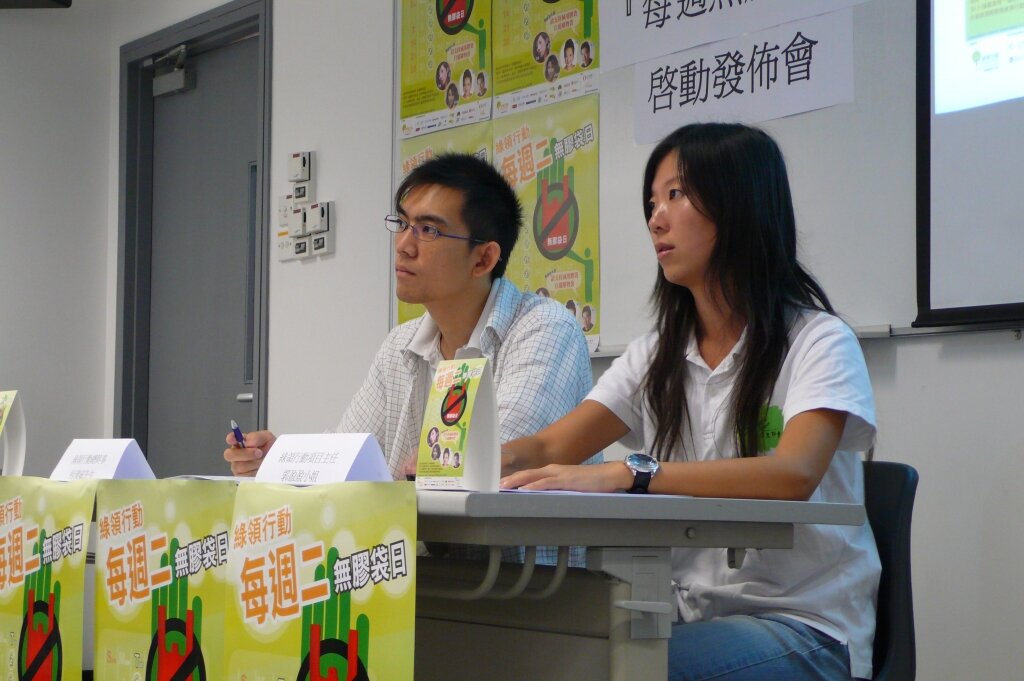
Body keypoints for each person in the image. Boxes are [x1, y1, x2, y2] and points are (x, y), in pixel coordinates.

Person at [501, 123, 880, 681]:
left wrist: (631, 474)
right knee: (523, 652)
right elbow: (550, 447)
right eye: (652, 202)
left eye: (675, 195)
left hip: (804, 626)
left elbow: (793, 474)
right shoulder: (657, 353)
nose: (656, 219)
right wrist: (455, 460)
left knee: (612, 672)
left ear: (739, 206)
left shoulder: (819, 341)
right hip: (683, 615)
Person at [225, 153, 593, 486]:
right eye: (402, 223)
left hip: (515, 543)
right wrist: (280, 462)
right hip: (422, 539)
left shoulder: (544, 328)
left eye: (428, 230)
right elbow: (348, 456)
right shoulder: (400, 345)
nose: (403, 245)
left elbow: (494, 461)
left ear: (483, 259)